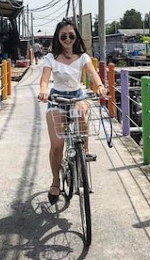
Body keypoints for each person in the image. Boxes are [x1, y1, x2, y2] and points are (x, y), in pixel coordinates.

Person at [37, 18, 107, 205]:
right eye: (63, 36)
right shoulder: (50, 58)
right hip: (57, 98)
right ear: (58, 38)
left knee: (81, 109)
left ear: (76, 37)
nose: (67, 39)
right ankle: (55, 181)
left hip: (76, 95)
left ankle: (84, 149)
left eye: (71, 35)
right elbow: (44, 78)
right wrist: (43, 91)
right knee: (58, 144)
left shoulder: (83, 57)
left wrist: (99, 85)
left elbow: (92, 73)